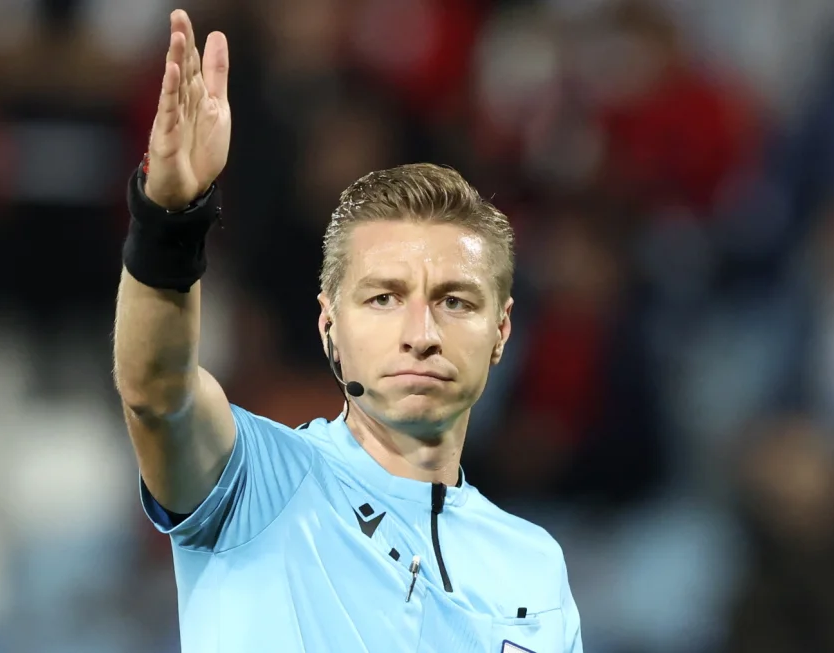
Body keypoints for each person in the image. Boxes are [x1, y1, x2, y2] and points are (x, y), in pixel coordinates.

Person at [113, 9, 584, 652]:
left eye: (454, 301)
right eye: (385, 299)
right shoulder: (259, 479)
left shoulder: (535, 566)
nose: (421, 333)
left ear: (501, 330)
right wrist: (169, 217)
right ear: (329, 324)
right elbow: (157, 391)